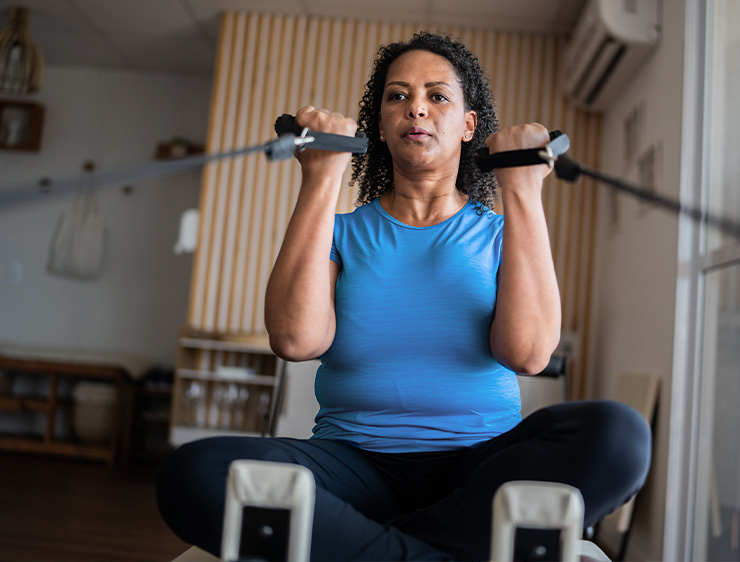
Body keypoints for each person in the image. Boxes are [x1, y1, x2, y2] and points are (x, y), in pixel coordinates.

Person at [156, 31, 651, 561]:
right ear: (380, 127)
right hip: (352, 466)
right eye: (397, 96)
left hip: (478, 471)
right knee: (194, 471)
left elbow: (527, 355)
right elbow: (296, 340)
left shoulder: (502, 233)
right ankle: (435, 548)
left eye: (438, 95)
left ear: (468, 126)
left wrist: (524, 189)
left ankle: (368, 544)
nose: (416, 106)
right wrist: (321, 176)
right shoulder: (339, 233)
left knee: (619, 435)